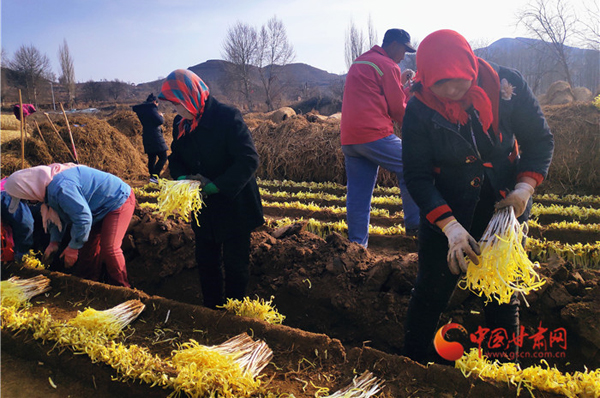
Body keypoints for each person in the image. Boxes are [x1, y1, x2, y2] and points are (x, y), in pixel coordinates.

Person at [401, 29, 554, 363]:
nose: (454, 90)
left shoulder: (505, 87)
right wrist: (450, 227)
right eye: (442, 84)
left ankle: (500, 369)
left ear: (471, 68)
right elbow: (416, 175)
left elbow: (540, 140)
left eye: (460, 80)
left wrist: (524, 188)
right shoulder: (419, 109)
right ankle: (410, 364)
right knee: (432, 288)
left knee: (501, 291)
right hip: (448, 207)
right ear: (426, 79)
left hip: (504, 204)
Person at [158, 69, 264, 309]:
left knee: (236, 264)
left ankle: (235, 313)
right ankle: (212, 311)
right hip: (203, 206)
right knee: (206, 262)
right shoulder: (182, 124)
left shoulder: (227, 117)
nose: (176, 111)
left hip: (234, 204)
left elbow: (248, 159)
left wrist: (216, 186)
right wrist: (183, 177)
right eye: (174, 106)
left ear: (191, 96)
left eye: (178, 104)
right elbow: (177, 158)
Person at [340, 28, 421, 247]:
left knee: (358, 195)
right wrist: (418, 128)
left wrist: (402, 87)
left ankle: (357, 246)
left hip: (350, 139)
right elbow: (397, 109)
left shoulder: (360, 62)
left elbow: (378, 98)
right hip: (374, 134)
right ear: (394, 44)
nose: (404, 56)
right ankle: (416, 224)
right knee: (412, 163)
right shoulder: (388, 65)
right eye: (404, 50)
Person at [4, 165, 136, 288]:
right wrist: (54, 242)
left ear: (28, 190)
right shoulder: (46, 187)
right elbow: (58, 217)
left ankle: (122, 288)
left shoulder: (61, 188)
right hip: (96, 207)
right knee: (88, 248)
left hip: (118, 200)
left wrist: (72, 248)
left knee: (110, 247)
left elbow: (83, 218)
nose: (29, 202)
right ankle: (89, 284)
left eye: (25, 198)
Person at [132, 93, 168, 183]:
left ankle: (152, 177)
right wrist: (161, 116)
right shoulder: (151, 109)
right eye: (157, 103)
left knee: (152, 158)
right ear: (154, 102)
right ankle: (155, 176)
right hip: (155, 136)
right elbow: (159, 121)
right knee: (163, 156)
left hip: (147, 136)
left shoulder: (142, 110)